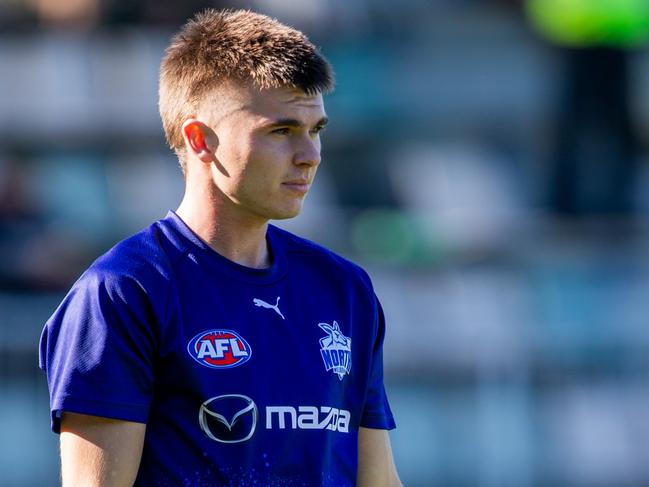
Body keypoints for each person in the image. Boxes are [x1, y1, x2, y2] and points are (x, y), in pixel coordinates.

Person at [39, 8, 401, 487]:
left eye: (316, 131)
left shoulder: (344, 290)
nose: (310, 155)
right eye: (281, 130)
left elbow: (377, 479)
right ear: (201, 139)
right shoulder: (124, 293)